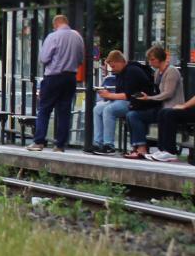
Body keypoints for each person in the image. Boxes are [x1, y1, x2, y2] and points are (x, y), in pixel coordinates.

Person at [28, 13, 84, 152]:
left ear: (55, 24)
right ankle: (60, 145)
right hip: (70, 77)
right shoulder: (77, 37)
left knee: (44, 109)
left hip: (53, 77)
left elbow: (44, 58)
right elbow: (80, 59)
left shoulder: (53, 36)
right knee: (64, 111)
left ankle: (39, 141)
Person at [122, 46, 182, 159]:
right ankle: (138, 146)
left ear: (160, 59)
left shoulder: (171, 71)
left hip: (170, 107)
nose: (150, 62)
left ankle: (143, 148)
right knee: (132, 114)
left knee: (136, 115)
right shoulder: (157, 73)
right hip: (160, 107)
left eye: (153, 59)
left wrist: (149, 98)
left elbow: (168, 93)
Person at [91, 49, 153, 153]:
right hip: (126, 101)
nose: (113, 69)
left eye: (113, 66)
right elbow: (120, 93)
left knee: (109, 110)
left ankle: (108, 144)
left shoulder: (132, 71)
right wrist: (109, 96)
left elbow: (128, 95)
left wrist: (109, 95)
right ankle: (98, 142)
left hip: (137, 102)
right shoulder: (121, 72)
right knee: (97, 109)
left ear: (119, 61)